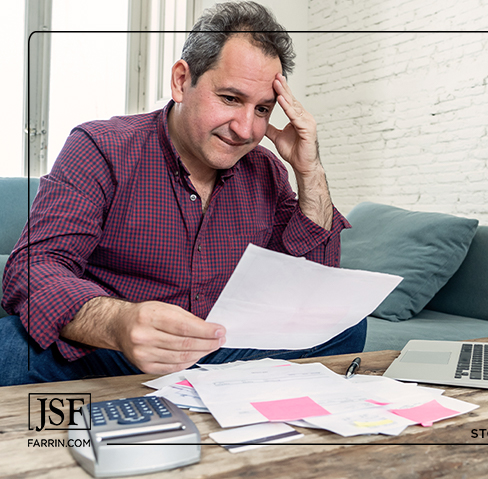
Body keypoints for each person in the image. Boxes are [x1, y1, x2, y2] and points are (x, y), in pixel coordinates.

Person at [0, 1, 366, 386]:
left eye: (262, 109)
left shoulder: (266, 170)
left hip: (224, 348)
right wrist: (120, 323)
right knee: (10, 346)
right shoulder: (100, 147)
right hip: (115, 352)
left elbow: (314, 289)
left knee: (346, 325)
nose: (245, 129)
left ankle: (213, 394)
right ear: (180, 81)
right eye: (230, 99)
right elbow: (35, 268)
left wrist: (310, 171)